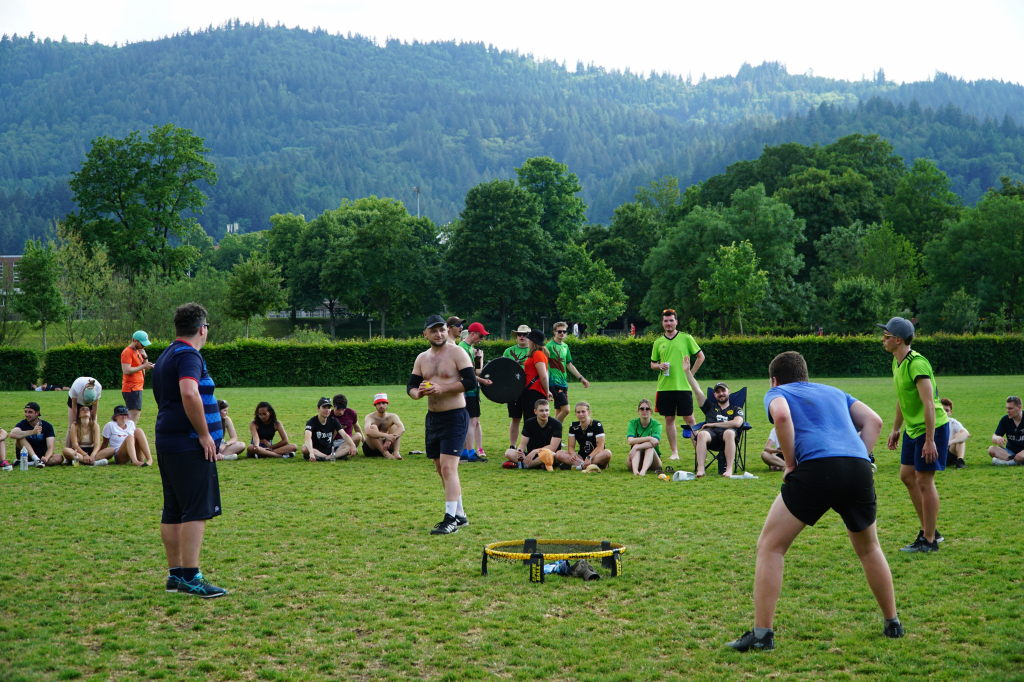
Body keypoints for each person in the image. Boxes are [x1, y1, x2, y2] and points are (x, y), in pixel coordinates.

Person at [726, 351, 902, 652]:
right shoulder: (835, 392)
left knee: (771, 546)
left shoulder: (778, 392)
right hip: (858, 469)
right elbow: (874, 421)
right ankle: (892, 623)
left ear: (774, 379)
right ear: (805, 375)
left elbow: (782, 416)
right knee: (869, 547)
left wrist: (790, 463)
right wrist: (858, 456)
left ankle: (762, 635)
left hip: (816, 468)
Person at [152, 302, 228, 598]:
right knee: (196, 509)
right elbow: (188, 391)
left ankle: (175, 575)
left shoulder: (167, 354)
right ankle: (191, 577)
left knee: (174, 509)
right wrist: (205, 434)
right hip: (188, 443)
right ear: (202, 329)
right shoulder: (188, 355)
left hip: (168, 440)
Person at [879, 316, 949, 553]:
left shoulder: (916, 364)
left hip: (932, 428)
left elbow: (928, 403)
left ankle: (929, 540)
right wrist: (896, 428)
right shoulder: (897, 362)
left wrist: (930, 440)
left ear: (898, 340)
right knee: (907, 476)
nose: (883, 340)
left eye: (886, 336)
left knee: (924, 481)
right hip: (913, 428)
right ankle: (931, 530)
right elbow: (903, 398)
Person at [408, 314, 477, 534]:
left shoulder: (457, 353)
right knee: (441, 469)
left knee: (448, 467)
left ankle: (450, 519)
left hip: (455, 416)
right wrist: (418, 394)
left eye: (442, 330)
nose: (438, 334)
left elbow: (470, 382)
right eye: (433, 330)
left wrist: (442, 388)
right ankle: (460, 515)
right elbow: (411, 386)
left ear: (447, 331)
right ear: (425, 334)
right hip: (433, 419)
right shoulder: (422, 358)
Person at [650, 308, 704, 461]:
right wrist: (659, 366)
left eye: (671, 320)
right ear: (662, 323)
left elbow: (700, 356)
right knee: (669, 419)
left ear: (676, 322)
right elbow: (652, 364)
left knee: (690, 419)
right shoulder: (658, 342)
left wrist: (690, 374)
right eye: (666, 321)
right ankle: (675, 452)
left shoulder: (686, 338)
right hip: (665, 387)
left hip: (683, 387)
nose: (668, 323)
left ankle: (699, 451)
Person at [683, 362, 744, 478]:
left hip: (728, 438)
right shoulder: (709, 406)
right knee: (701, 434)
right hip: (712, 438)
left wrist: (713, 424)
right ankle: (701, 469)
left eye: (723, 391)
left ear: (729, 392)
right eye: (718, 392)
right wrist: (687, 372)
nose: (721, 394)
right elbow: (697, 390)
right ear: (714, 395)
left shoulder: (736, 409)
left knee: (730, 432)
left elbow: (737, 423)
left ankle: (729, 469)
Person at [458, 322, 493, 461]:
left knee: (473, 421)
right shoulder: (462, 348)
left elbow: (477, 371)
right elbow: (466, 374)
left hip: (473, 390)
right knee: (471, 421)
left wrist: (479, 358)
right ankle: (470, 453)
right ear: (472, 334)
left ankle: (466, 452)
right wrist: (483, 381)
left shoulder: (471, 349)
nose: (481, 339)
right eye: (480, 336)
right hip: (467, 391)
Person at [546, 321, 590, 423]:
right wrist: (546, 386)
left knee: (559, 411)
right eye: (559, 331)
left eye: (564, 331)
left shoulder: (565, 346)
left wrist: (581, 378)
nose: (562, 333)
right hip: (554, 383)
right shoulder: (548, 346)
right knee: (566, 410)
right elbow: (544, 365)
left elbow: (569, 365)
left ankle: (556, 433)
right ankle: (551, 429)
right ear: (554, 332)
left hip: (563, 383)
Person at [504, 399, 562, 469]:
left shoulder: (556, 424)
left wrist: (535, 451)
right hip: (531, 455)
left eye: (546, 410)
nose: (544, 413)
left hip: (549, 454)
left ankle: (526, 465)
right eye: (541, 411)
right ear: (535, 411)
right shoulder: (529, 423)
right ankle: (536, 464)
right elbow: (522, 445)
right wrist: (520, 452)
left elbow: (552, 447)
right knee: (508, 452)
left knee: (549, 454)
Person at [503, 324, 533, 450]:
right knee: (515, 418)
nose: (522, 337)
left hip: (529, 389)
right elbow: (503, 370)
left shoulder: (534, 351)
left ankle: (529, 445)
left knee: (530, 419)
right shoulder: (508, 351)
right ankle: (513, 445)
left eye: (525, 335)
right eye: (519, 334)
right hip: (513, 390)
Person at [557, 401, 612, 470]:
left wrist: (589, 457)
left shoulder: (597, 424)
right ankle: (586, 466)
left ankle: (578, 466)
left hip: (595, 456)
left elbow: (600, 447)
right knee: (559, 453)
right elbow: (571, 447)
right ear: (575, 414)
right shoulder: (573, 426)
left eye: (583, 411)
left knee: (607, 453)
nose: (581, 414)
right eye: (578, 412)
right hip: (581, 457)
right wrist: (573, 454)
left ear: (588, 412)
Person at [121, 330, 155, 423]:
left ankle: (129, 431)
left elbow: (144, 368)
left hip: (137, 387)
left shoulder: (138, 351)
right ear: (135, 340)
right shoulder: (127, 352)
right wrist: (143, 366)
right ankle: (128, 431)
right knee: (133, 414)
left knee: (135, 414)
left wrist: (145, 358)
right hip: (131, 388)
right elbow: (126, 370)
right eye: (142, 343)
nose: (144, 346)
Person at [10, 401, 58, 467]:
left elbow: (50, 447)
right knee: (20, 438)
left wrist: (46, 458)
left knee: (59, 458)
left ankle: (32, 463)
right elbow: (12, 434)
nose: (27, 414)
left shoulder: (47, 426)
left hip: (42, 456)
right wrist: (32, 432)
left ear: (37, 413)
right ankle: (36, 460)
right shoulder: (22, 424)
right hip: (26, 456)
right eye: (25, 412)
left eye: (30, 412)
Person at [303, 397, 347, 462]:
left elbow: (344, 434)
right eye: (324, 407)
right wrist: (311, 453)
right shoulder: (311, 422)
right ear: (318, 409)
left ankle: (326, 458)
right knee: (304, 448)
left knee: (349, 445)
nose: (327, 410)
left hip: (330, 450)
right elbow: (307, 438)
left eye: (329, 408)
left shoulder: (333, 420)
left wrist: (352, 446)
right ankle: (331, 457)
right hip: (317, 451)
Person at [626, 399, 663, 476]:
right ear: (638, 411)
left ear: (651, 411)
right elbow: (630, 441)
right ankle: (635, 472)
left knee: (649, 448)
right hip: (635, 459)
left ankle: (643, 471)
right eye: (642, 409)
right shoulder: (632, 423)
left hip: (653, 462)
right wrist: (649, 438)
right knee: (638, 446)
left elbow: (655, 442)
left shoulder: (657, 424)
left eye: (647, 409)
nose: (644, 411)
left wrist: (636, 447)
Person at [363, 393, 405, 459]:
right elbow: (367, 431)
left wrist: (389, 440)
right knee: (373, 427)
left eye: (383, 403)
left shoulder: (393, 416)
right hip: (371, 449)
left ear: (387, 404)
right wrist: (386, 436)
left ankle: (396, 452)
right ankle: (385, 454)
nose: (381, 406)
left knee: (396, 427)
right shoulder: (370, 417)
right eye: (378, 403)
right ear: (375, 405)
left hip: (387, 446)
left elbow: (402, 428)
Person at [66, 376, 102, 445]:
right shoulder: (76, 387)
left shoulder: (98, 388)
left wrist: (94, 419)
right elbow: (74, 404)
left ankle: (93, 448)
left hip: (91, 402)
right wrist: (74, 421)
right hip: (75, 401)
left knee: (93, 425)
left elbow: (95, 405)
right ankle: (68, 447)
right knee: (71, 426)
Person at [989, 395, 1024, 465]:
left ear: (1019, 407)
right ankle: (1015, 461)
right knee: (991, 449)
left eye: (1010, 408)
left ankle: (1006, 462)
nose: (1007, 411)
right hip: (1010, 453)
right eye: (1007, 408)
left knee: (1020, 457)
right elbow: (994, 437)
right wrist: (997, 438)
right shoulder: (1005, 420)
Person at [940, 398, 969, 469]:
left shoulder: (953, 422)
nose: (945, 413)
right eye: (942, 410)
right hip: (936, 454)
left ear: (950, 412)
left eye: (947, 410)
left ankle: (960, 462)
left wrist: (950, 442)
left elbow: (966, 434)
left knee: (960, 437)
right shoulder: (932, 422)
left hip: (949, 453)